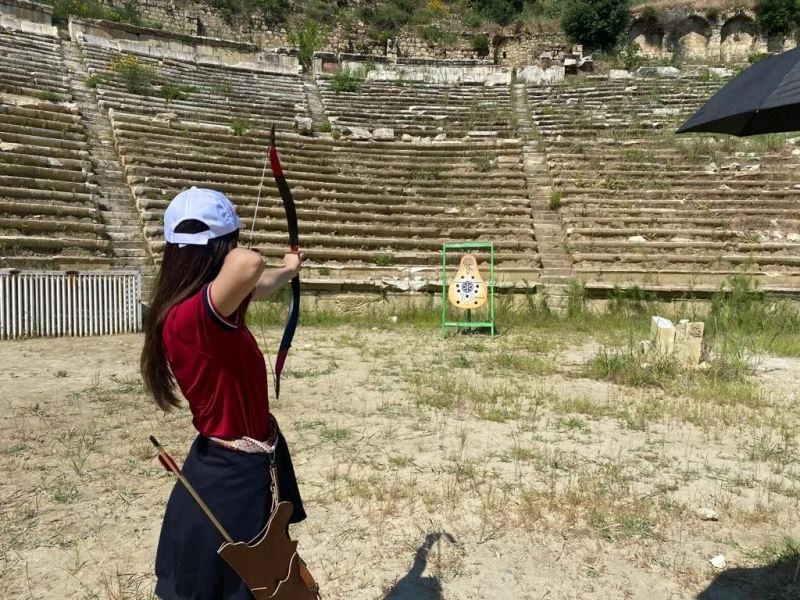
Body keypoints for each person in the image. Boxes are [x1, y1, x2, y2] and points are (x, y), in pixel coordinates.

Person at [140, 187, 306, 600]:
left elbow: (258, 282)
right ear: (220, 248)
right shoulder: (191, 317)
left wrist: (289, 270)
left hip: (241, 465)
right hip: (229, 480)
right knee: (238, 587)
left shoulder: (202, 305)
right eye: (231, 242)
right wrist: (237, 246)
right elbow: (249, 265)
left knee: (265, 577)